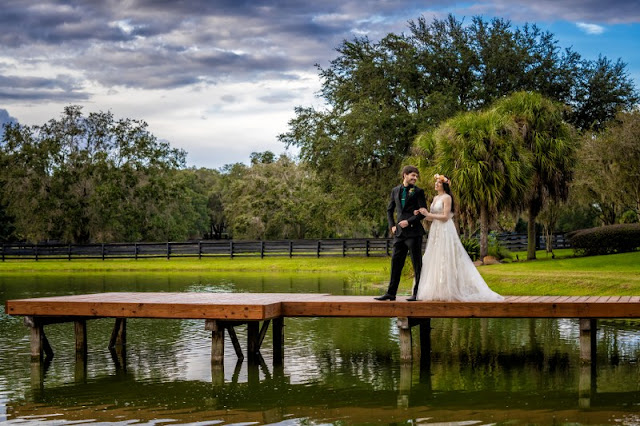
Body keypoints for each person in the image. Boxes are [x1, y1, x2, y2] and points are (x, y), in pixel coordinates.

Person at [414, 174, 503, 302]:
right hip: (435, 230)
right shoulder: (435, 198)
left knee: (446, 256)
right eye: (436, 183)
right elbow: (431, 216)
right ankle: (438, 289)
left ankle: (451, 289)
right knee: (435, 257)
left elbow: (445, 216)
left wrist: (429, 214)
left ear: (444, 185)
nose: (435, 184)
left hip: (445, 229)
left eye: (438, 183)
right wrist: (422, 213)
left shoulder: (447, 197)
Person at [375, 165, 427, 301]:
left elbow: (423, 213)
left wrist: (409, 221)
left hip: (414, 233)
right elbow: (389, 210)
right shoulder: (395, 190)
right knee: (396, 263)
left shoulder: (419, 192)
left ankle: (417, 294)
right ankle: (391, 293)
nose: (415, 178)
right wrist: (392, 226)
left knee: (417, 264)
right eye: (413, 175)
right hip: (399, 234)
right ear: (405, 175)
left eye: (416, 176)